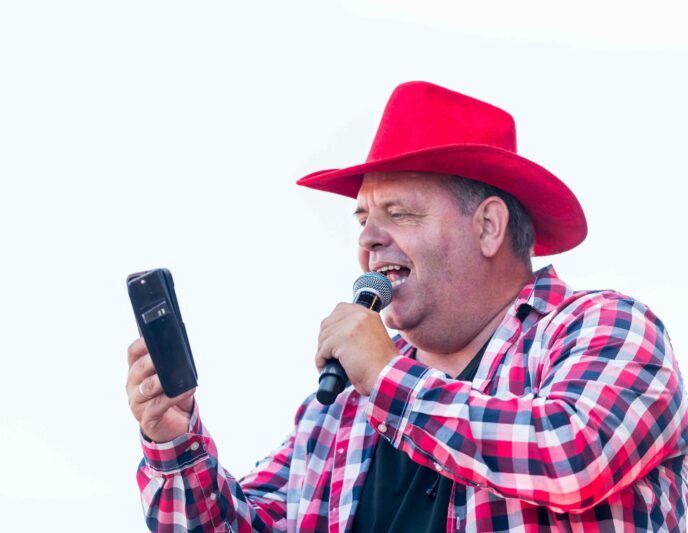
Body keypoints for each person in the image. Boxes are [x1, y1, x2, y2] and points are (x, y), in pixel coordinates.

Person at [125, 81, 688, 532]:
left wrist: (387, 377)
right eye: (363, 218)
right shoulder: (341, 405)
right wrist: (175, 443)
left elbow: (572, 456)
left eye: (399, 214)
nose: (369, 237)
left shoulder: (606, 327)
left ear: (488, 227)